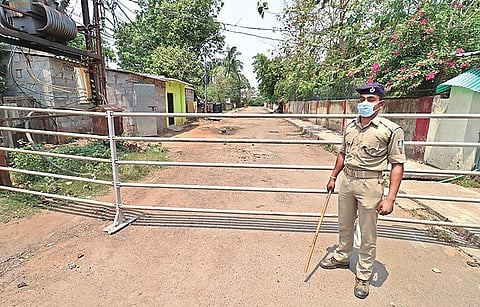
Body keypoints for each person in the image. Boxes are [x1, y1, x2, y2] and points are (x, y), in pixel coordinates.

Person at [320, 82, 406, 299]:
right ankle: (342, 256)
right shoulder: (350, 126)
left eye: (370, 100)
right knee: (344, 224)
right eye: (362, 100)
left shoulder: (391, 130)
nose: (365, 104)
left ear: (381, 104)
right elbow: (342, 153)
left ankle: (364, 274)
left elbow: (397, 165)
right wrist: (333, 176)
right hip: (348, 182)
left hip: (371, 184)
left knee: (367, 233)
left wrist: (390, 198)